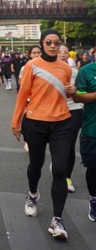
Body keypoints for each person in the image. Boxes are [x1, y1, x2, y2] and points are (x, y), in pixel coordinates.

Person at [11, 29, 75, 240]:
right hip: (35, 123)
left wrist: (73, 91)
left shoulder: (66, 68)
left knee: (60, 169)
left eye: (57, 42)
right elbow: (23, 95)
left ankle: (57, 220)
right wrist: (15, 122)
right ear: (42, 44)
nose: (53, 46)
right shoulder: (31, 65)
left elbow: (66, 94)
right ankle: (32, 194)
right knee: (36, 165)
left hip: (62, 123)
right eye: (49, 42)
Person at [73, 59, 96, 222]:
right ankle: (94, 200)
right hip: (92, 129)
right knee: (93, 169)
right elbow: (77, 97)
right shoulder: (86, 71)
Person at [58, 43, 82, 193]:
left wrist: (75, 90)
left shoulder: (75, 72)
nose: (62, 54)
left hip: (74, 109)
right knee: (58, 144)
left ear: (69, 55)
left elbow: (82, 91)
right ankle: (58, 165)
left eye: (65, 52)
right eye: (59, 51)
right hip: (54, 110)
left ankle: (67, 178)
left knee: (70, 144)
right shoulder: (45, 71)